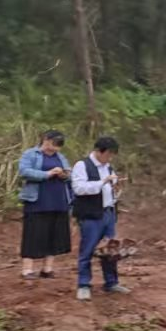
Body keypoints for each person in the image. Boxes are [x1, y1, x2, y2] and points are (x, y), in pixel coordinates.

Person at [72, 136, 129, 301]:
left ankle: (111, 282)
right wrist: (103, 182)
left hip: (108, 212)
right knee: (87, 249)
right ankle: (83, 285)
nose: (109, 159)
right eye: (108, 154)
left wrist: (115, 185)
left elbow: (110, 185)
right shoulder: (82, 166)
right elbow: (79, 188)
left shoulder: (108, 167)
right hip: (91, 215)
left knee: (110, 250)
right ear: (98, 151)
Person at [17, 129, 73, 279]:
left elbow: (70, 175)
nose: (54, 148)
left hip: (59, 200)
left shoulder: (60, 157)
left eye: (58, 146)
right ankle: (27, 269)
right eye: (53, 144)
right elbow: (24, 171)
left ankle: (47, 268)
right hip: (38, 201)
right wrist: (47, 174)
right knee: (33, 234)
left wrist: (64, 175)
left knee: (54, 234)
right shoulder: (31, 154)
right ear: (45, 140)